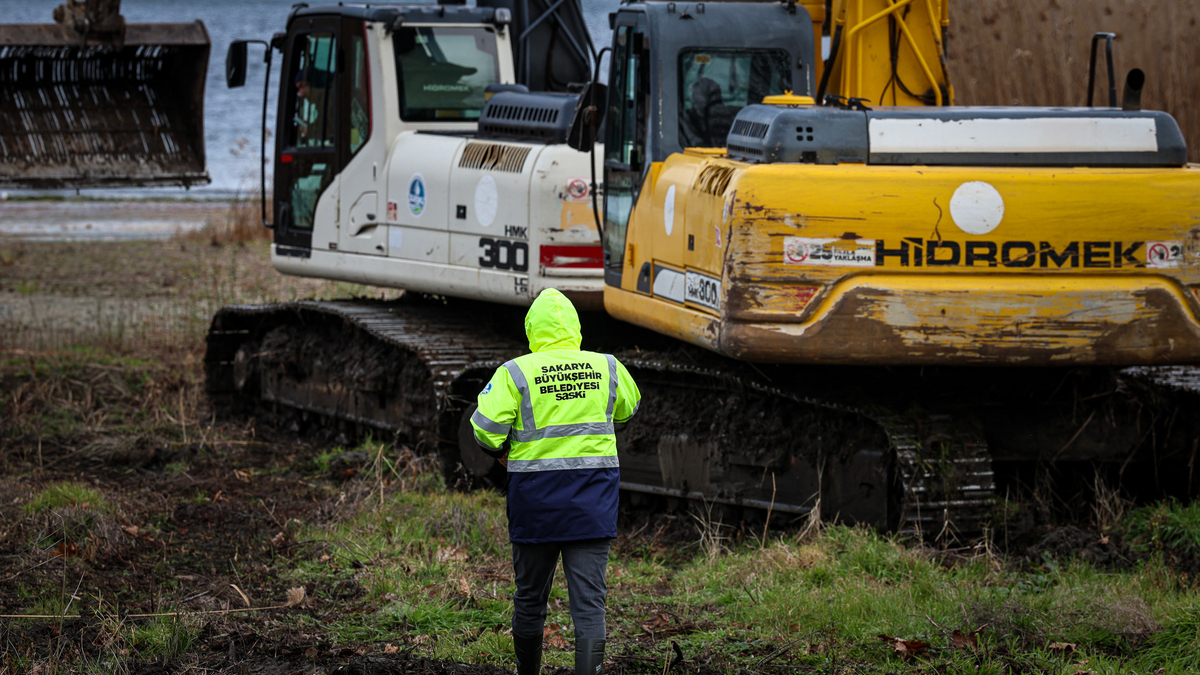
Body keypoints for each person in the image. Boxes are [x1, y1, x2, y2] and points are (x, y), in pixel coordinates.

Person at [471, 289, 641, 675]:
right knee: (589, 605)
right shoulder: (608, 367)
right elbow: (627, 410)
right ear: (575, 328)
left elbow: (483, 431)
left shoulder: (514, 372)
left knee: (530, 599)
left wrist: (504, 453)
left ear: (532, 330)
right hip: (592, 506)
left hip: (536, 506)